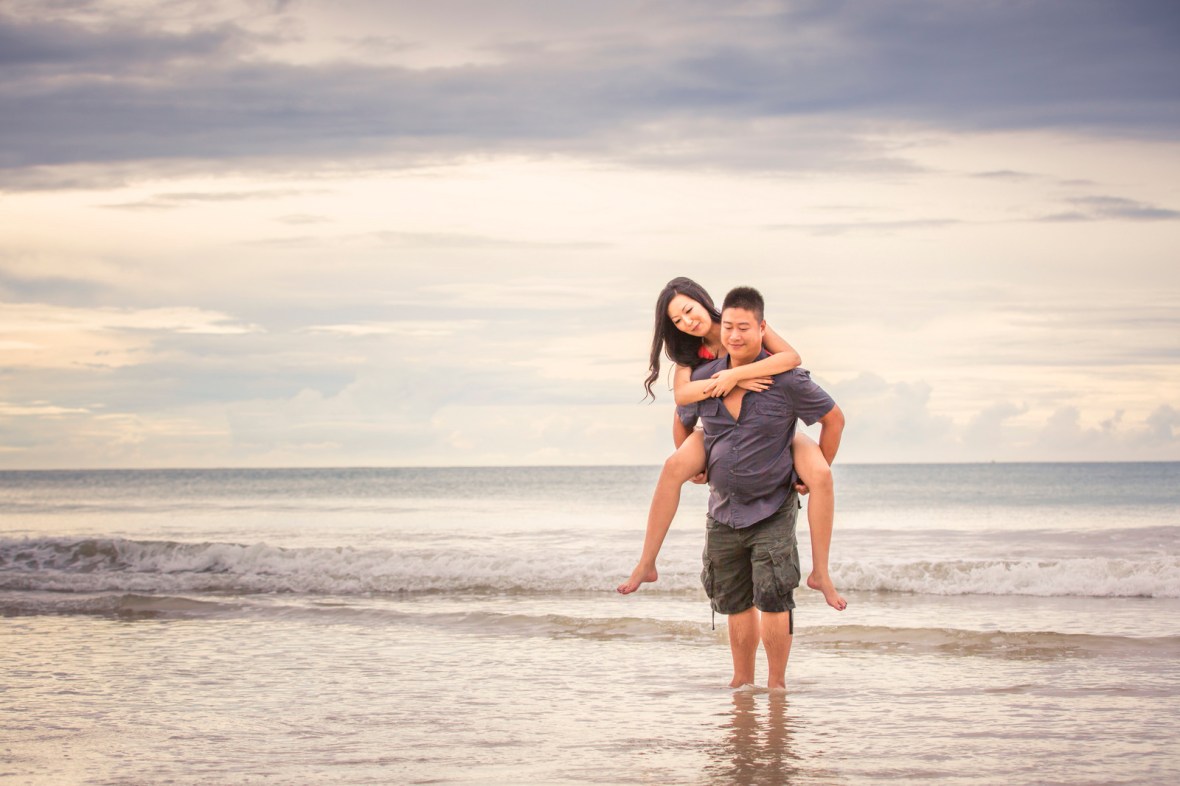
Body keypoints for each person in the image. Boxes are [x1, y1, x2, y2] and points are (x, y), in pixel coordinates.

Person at [617, 278, 845, 611]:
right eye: (677, 320)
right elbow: (683, 398)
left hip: (770, 426)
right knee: (673, 467)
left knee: (821, 474)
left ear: (702, 300)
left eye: (688, 310)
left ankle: (821, 573)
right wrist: (700, 465)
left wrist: (737, 374)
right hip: (720, 428)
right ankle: (646, 563)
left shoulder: (736, 322)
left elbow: (791, 357)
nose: (687, 322)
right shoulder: (690, 355)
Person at [689, 285, 844, 689]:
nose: (734, 335)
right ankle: (742, 686)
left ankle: (776, 687)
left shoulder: (787, 380)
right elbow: (683, 417)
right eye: (728, 326)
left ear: (762, 329)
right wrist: (695, 466)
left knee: (774, 597)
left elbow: (834, 419)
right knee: (733, 601)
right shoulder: (705, 377)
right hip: (722, 511)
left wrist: (811, 473)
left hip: (772, 508)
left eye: (744, 327)